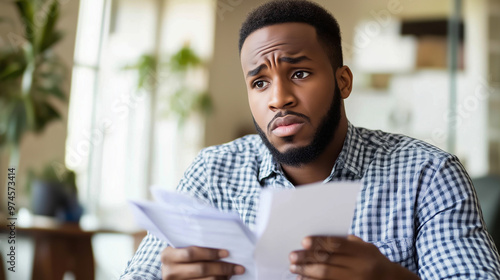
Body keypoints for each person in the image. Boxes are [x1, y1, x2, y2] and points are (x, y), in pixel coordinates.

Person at [121, 1, 500, 279]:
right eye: (259, 82)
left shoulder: (428, 174)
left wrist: (391, 278)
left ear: (343, 81)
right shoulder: (213, 171)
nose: (278, 98)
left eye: (299, 73)